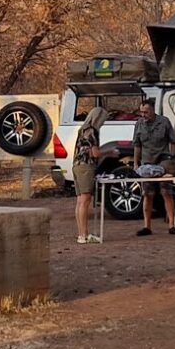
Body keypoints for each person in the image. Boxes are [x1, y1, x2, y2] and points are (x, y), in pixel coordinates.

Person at [130, 97, 175, 236]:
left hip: (163, 160)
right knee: (148, 194)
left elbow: (173, 141)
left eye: (146, 112)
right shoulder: (139, 124)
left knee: (166, 192)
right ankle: (147, 226)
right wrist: (136, 163)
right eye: (141, 112)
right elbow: (137, 145)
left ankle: (172, 224)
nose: (143, 115)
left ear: (152, 110)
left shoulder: (164, 122)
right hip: (147, 162)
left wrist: (173, 161)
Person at [70, 101, 107, 243]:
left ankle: (82, 234)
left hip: (77, 165)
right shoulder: (92, 131)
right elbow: (95, 153)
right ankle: (83, 235)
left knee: (80, 201)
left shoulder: (82, 129)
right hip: (86, 166)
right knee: (85, 200)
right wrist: (109, 152)